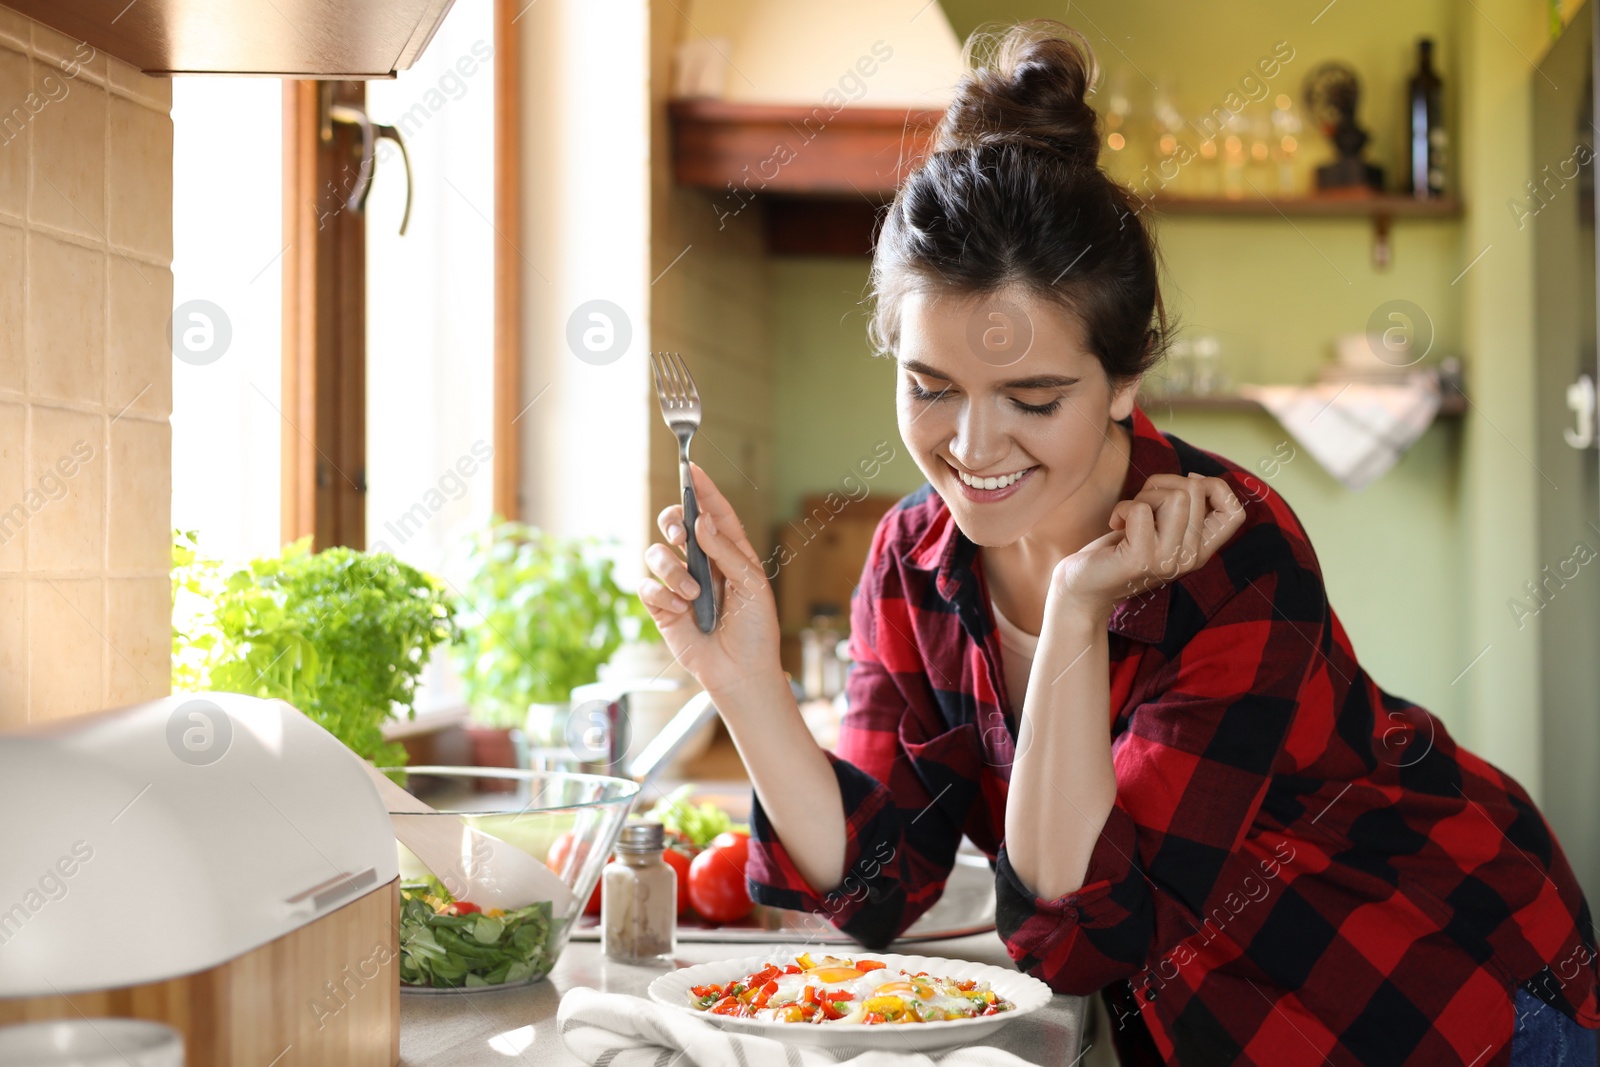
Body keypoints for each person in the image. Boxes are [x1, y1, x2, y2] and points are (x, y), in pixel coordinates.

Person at [638, 19, 1600, 1066]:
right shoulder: (913, 561)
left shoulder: (1228, 548)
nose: (970, 445)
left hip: (1434, 997)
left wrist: (1073, 610)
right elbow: (873, 888)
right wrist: (743, 682)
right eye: (928, 388)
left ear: (1125, 380)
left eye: (1033, 397)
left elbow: (1083, 929)